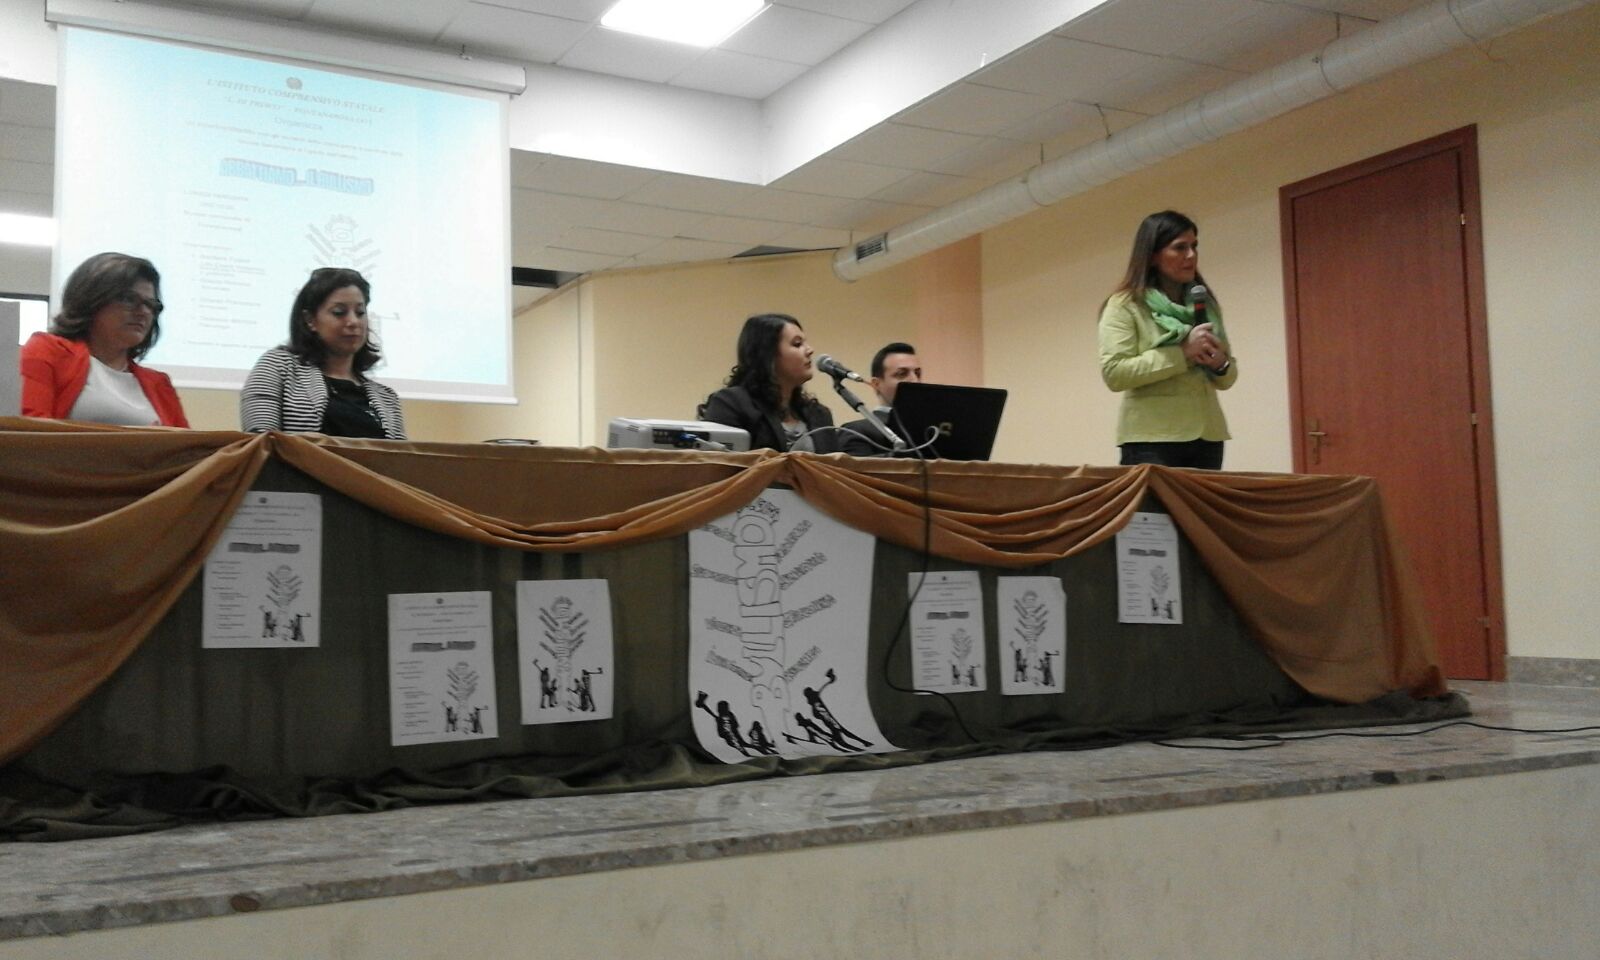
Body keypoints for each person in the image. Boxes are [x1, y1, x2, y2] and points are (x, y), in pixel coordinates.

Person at [1098, 210, 1238, 469]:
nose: (1191, 255)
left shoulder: (1204, 303)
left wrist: (1220, 364)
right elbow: (1115, 373)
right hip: (1151, 438)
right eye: (1180, 247)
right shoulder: (1125, 305)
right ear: (1152, 255)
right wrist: (1183, 352)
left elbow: (1228, 378)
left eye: (1194, 246)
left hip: (1208, 437)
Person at [19, 252, 189, 427]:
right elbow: (29, 430)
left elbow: (186, 443)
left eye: (151, 305)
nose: (144, 312)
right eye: (129, 299)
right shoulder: (47, 351)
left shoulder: (160, 384)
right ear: (91, 300)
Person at [240, 267, 406, 439]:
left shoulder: (386, 398)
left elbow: (402, 455)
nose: (353, 321)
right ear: (310, 320)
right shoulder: (278, 367)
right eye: (339, 312)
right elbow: (260, 442)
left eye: (360, 313)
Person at [701, 313, 839, 453]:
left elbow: (833, 465)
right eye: (797, 344)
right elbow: (719, 462)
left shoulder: (819, 414)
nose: (810, 350)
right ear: (768, 354)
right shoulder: (731, 404)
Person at [838, 341, 922, 457]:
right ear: (876, 384)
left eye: (918, 374)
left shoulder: (933, 430)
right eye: (902, 374)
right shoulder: (856, 431)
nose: (915, 380)